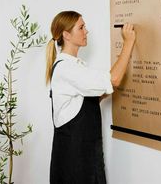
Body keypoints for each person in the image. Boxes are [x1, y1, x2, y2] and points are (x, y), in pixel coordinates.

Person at [46, 10, 136, 184]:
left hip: (86, 156)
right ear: (67, 35)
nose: (86, 31)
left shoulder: (76, 67)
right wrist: (129, 42)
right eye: (81, 27)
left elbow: (85, 100)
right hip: (74, 162)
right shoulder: (66, 69)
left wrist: (103, 90)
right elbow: (114, 79)